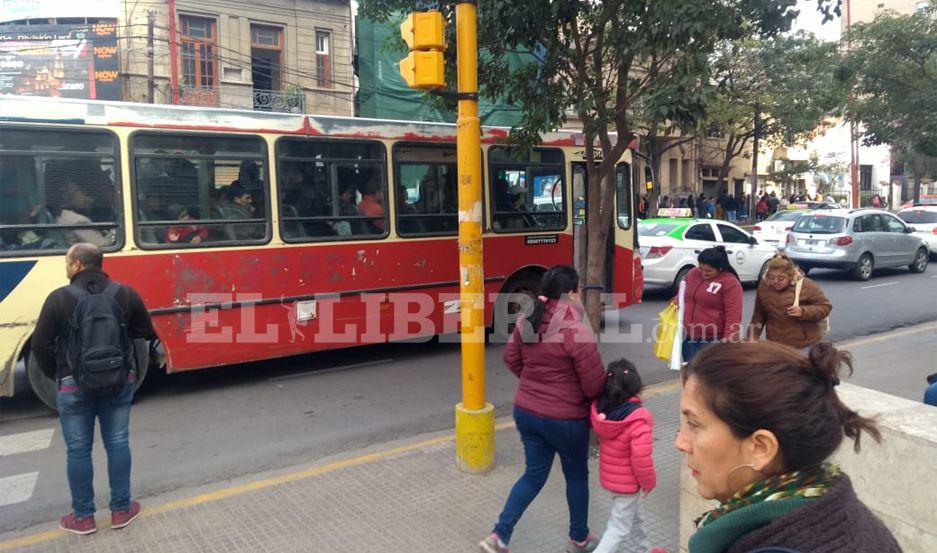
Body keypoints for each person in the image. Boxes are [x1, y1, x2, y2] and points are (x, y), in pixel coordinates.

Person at [677, 341, 901, 553]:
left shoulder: (781, 540)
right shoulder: (832, 505)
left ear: (761, 448)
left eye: (694, 424)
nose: (680, 442)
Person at [31, 243, 156, 535]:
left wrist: (60, 374)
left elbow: (40, 345)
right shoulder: (124, 293)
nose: (66, 266)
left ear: (76, 265)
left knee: (78, 450)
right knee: (117, 443)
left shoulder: (59, 299)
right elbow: (145, 331)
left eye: (67, 261)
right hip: (118, 379)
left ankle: (84, 517)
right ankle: (121, 510)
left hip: (73, 383)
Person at [481, 266, 606, 553]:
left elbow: (511, 358)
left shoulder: (528, 318)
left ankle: (499, 535)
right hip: (565, 420)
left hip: (527, 411)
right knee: (576, 476)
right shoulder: (576, 328)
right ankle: (579, 537)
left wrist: (532, 383)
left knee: (533, 475)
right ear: (572, 293)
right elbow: (593, 382)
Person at [589, 359, 662, 553]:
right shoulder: (638, 418)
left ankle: (644, 550)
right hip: (627, 484)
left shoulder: (604, 410)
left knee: (636, 517)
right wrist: (649, 482)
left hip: (612, 478)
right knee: (617, 529)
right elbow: (641, 458)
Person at [747, 254, 832, 350]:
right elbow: (758, 316)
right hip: (776, 344)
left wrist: (803, 311)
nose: (775, 281)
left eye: (781, 278)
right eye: (771, 277)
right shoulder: (764, 287)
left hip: (804, 344)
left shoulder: (807, 285)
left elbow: (825, 307)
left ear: (790, 275)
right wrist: (751, 340)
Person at [679, 247, 743, 362]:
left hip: (713, 340)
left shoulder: (730, 283)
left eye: (708, 271)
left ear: (720, 268)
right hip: (690, 337)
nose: (703, 273)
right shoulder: (693, 273)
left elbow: (733, 313)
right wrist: (676, 299)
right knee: (691, 373)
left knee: (709, 377)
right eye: (701, 268)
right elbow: (685, 293)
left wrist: (728, 341)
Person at [56, 183, 116, 247]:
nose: (90, 200)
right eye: (83, 194)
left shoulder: (64, 214)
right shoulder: (77, 221)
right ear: (70, 197)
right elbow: (103, 244)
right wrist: (117, 229)